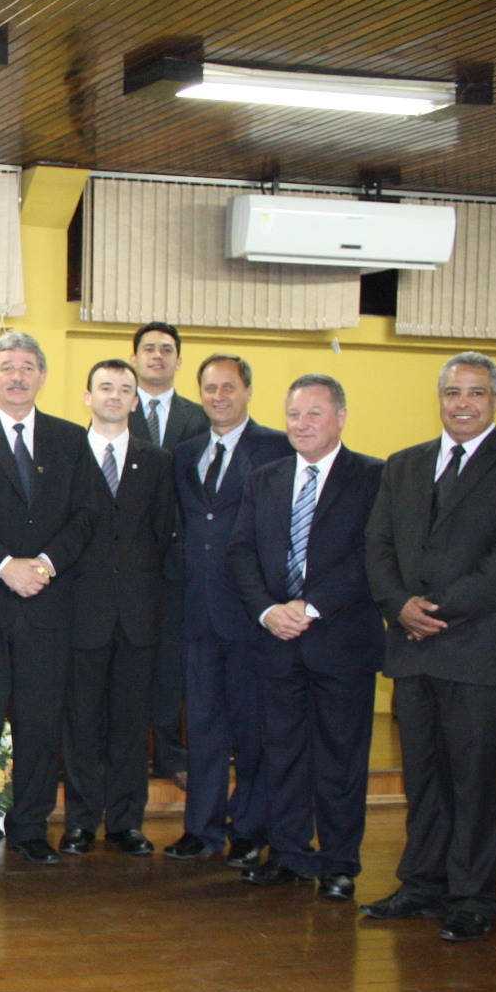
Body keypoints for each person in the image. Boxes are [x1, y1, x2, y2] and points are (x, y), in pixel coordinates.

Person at [362, 352, 496, 941]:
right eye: (452, 393)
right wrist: (399, 607)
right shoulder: (405, 464)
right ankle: (422, 883)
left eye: (475, 393)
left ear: (495, 399)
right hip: (413, 651)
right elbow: (379, 545)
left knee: (474, 780)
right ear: (440, 398)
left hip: (474, 649)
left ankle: (472, 897)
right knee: (423, 776)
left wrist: (434, 613)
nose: (462, 403)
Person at [230, 374, 384, 900]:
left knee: (341, 757)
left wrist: (310, 606)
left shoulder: (374, 478)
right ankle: (290, 854)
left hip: (341, 642)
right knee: (283, 753)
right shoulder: (265, 478)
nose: (302, 424)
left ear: (341, 417)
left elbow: (373, 559)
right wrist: (269, 610)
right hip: (275, 641)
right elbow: (242, 553)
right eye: (294, 414)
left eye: (314, 414)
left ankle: (339, 863)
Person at [0, 330, 103, 865]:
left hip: (48, 603)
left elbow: (86, 516)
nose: (17, 376)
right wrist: (3, 565)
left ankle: (31, 825)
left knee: (41, 722)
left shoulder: (70, 439)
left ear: (42, 376)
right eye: (7, 367)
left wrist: (43, 565)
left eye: (27, 367)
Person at [166, 354, 292, 865]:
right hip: (196, 613)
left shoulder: (277, 449)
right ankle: (201, 828)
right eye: (210, 388)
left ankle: (250, 827)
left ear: (247, 391)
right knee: (204, 728)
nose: (219, 396)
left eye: (228, 387)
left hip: (251, 613)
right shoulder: (186, 452)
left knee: (252, 729)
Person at [61, 359, 174, 857]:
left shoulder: (158, 460)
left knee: (131, 723)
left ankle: (127, 821)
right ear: (87, 396)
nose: (114, 395)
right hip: (78, 612)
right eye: (105, 387)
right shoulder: (64, 456)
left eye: (124, 389)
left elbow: (166, 537)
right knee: (81, 721)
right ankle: (82, 821)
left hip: (138, 615)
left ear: (135, 400)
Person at [126, 322, 208, 790]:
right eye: (149, 349)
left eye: (167, 350)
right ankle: (131, 751)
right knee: (133, 662)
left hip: (182, 562)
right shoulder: (115, 408)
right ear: (134, 358)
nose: (157, 356)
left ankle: (172, 753)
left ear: (179, 360)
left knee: (172, 665)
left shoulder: (199, 418)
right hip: (130, 560)